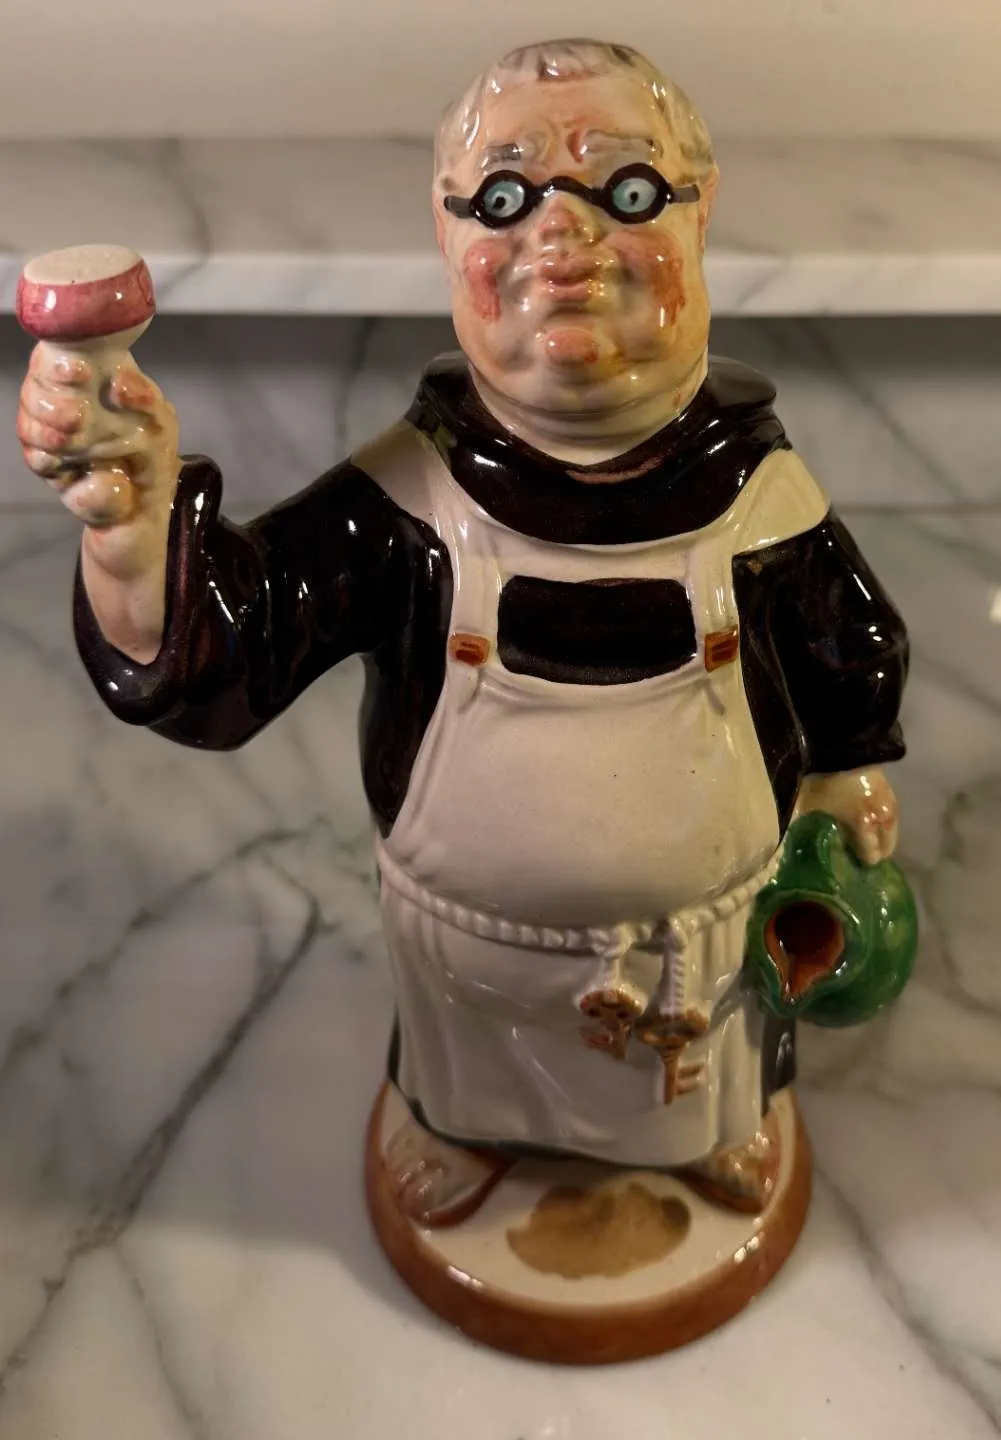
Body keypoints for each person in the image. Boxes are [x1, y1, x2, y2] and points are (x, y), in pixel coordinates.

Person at [17, 39, 907, 1224]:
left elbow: (851, 649)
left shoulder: (757, 502)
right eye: (500, 199)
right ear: (444, 236)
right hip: (470, 953)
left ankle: (712, 1123)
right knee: (470, 1065)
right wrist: (131, 529)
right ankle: (462, 1128)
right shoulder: (406, 504)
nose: (560, 232)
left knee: (707, 1062)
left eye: (624, 189)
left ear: (700, 217)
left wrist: (845, 780)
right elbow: (223, 662)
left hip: (702, 940)